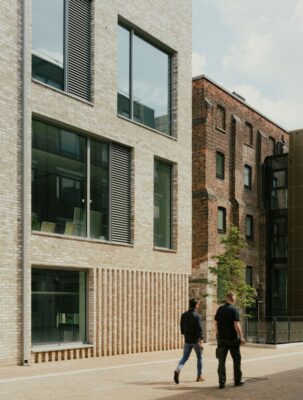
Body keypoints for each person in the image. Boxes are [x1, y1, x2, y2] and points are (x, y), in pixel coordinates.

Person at [214, 291, 246, 389]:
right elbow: (236, 325)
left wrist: (218, 333)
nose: (235, 300)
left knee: (221, 362)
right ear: (233, 299)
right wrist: (241, 337)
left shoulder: (220, 309)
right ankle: (237, 381)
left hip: (222, 340)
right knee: (236, 360)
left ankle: (221, 383)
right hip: (232, 340)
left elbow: (215, 323)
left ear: (227, 298)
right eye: (234, 298)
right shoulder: (234, 310)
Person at [174, 298, 205, 384]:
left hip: (187, 340)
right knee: (199, 357)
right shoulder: (197, 316)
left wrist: (185, 334)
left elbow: (182, 328)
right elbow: (199, 329)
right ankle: (199, 376)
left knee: (184, 358)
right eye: (198, 305)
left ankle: (178, 369)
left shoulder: (183, 315)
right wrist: (201, 340)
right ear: (196, 305)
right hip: (196, 341)